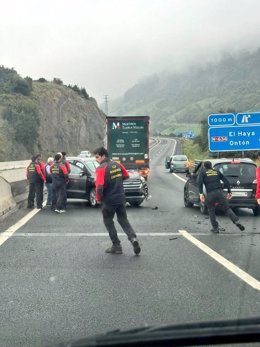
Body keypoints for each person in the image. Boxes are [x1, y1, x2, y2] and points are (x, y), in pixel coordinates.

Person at [93, 146, 141, 255]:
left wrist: (99, 199)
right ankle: (133, 238)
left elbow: (99, 187)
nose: (96, 159)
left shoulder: (101, 168)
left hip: (108, 200)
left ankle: (116, 245)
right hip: (120, 198)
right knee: (123, 219)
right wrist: (116, 181)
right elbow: (126, 175)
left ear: (103, 156)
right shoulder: (117, 164)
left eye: (97, 157)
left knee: (108, 221)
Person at [198, 161, 245, 233]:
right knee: (226, 209)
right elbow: (226, 181)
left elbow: (200, 182)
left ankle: (215, 228)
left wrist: (201, 193)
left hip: (210, 194)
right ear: (211, 166)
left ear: (204, 166)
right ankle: (236, 220)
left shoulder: (202, 172)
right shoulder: (216, 171)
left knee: (211, 210)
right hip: (220, 193)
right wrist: (229, 191)